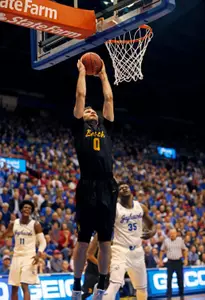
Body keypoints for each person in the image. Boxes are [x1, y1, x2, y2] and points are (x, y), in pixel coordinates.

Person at [72, 59, 118, 300]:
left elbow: (108, 100)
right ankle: (77, 285)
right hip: (87, 184)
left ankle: (102, 285)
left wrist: (103, 76)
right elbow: (80, 96)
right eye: (87, 110)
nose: (90, 111)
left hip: (108, 186)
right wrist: (82, 72)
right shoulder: (79, 128)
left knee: (105, 241)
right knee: (82, 242)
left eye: (93, 110)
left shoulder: (106, 128)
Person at [102, 182, 156, 300]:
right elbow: (104, 228)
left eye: (126, 186)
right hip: (120, 250)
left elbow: (152, 225)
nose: (124, 187)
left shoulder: (141, 207)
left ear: (131, 190)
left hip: (137, 251)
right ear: (118, 194)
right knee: (114, 284)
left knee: (141, 288)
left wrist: (152, 232)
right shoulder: (114, 209)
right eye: (120, 188)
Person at [0, 200, 47, 300]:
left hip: (29, 257)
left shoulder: (36, 225)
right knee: (14, 288)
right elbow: (4, 237)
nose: (27, 209)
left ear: (31, 212)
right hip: (16, 256)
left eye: (30, 208)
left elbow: (43, 242)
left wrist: (39, 254)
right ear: (21, 209)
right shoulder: (13, 224)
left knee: (24, 285)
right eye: (25, 207)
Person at [159, 229, 188, 300]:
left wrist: (186, 259)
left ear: (176, 234)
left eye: (173, 233)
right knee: (169, 279)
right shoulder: (166, 241)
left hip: (178, 261)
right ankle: (169, 295)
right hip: (170, 262)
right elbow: (162, 250)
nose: (172, 235)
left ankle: (181, 294)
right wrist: (160, 260)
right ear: (169, 234)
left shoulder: (180, 240)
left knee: (180, 279)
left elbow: (185, 250)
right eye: (170, 233)